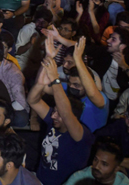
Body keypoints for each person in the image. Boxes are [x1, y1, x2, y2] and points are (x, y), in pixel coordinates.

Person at [28, 56, 95, 184]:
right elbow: (33, 100)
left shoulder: (81, 135)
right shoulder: (53, 122)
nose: (53, 116)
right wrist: (40, 84)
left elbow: (65, 113)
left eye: (58, 114)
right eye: (53, 111)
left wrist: (55, 80)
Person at [63, 141, 129, 185]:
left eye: (104, 164)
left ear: (116, 168)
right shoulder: (80, 177)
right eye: (96, 160)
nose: (96, 166)